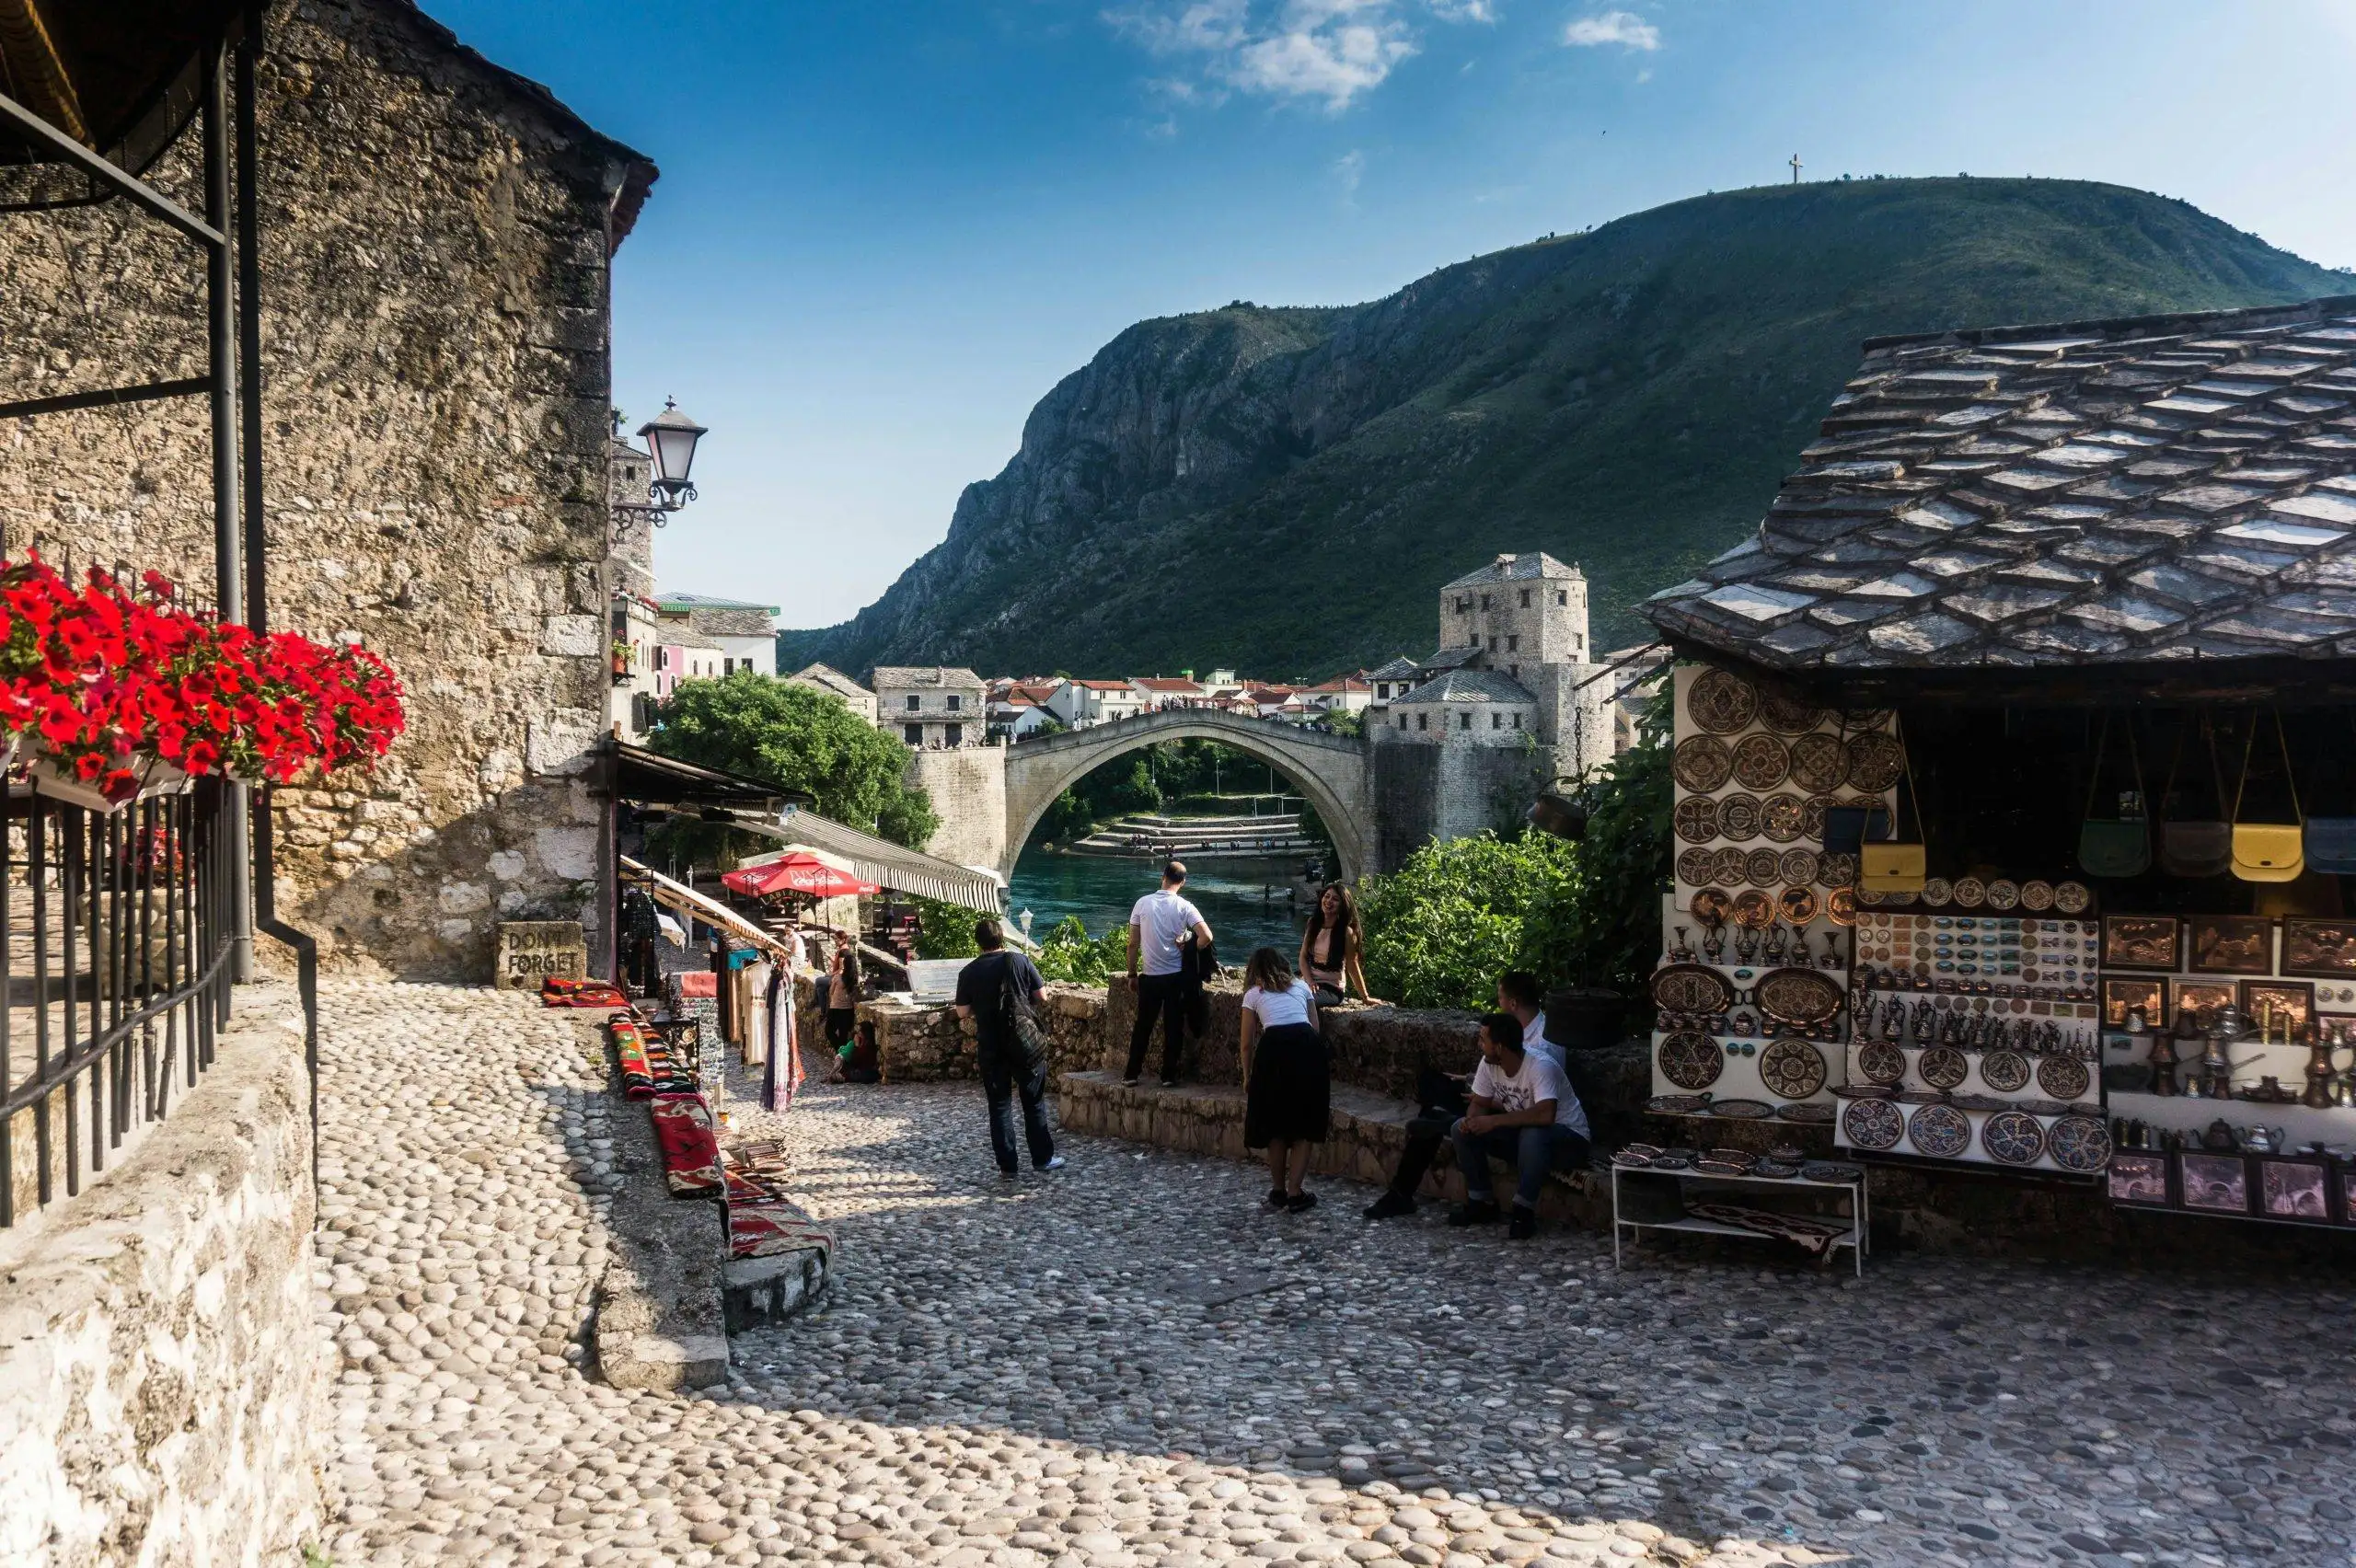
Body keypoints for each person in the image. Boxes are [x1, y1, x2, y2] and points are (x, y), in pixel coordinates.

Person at [1361, 971, 1566, 1220]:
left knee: (1438, 1109)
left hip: (1520, 1114)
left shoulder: (1544, 1044)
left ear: (1513, 1003)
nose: (1498, 1005)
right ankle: (1405, 1183)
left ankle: (1406, 1183)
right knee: (1435, 1085)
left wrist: (1487, 1101)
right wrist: (1474, 1083)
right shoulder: (1509, 1033)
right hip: (1503, 1101)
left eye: (1500, 999)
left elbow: (1536, 1101)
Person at [1448, 1012, 1591, 1239]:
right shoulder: (1489, 1064)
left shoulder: (1540, 1066)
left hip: (1569, 1140)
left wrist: (1492, 1121)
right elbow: (1479, 1103)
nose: (1479, 1044)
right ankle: (1480, 1201)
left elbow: (1545, 1115)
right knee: (1459, 1129)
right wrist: (1472, 1120)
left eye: (1483, 1039)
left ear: (1500, 1047)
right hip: (1524, 1137)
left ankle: (1523, 1210)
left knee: (1533, 1133)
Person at [953, 918, 1067, 1177]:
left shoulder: (969, 971)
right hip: (1023, 1042)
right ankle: (1042, 1158)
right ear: (1001, 937)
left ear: (978, 942)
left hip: (991, 1045)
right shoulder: (1019, 960)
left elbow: (962, 1012)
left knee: (1000, 1105)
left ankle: (1008, 1166)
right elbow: (1042, 996)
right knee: (1033, 1101)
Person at [1240, 947, 1326, 1212]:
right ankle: (1295, 1193)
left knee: (1274, 1127)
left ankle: (1278, 1190)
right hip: (1305, 1047)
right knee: (1304, 1127)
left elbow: (1246, 1043)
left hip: (1273, 1051)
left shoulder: (1253, 995)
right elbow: (1315, 1028)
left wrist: (1247, 1077)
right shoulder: (1301, 987)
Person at [1126, 859, 1213, 1087]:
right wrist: (1189, 944)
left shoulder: (1142, 903)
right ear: (1182, 882)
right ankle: (1168, 1076)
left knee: (1143, 1026)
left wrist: (1132, 974)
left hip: (1150, 976)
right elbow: (1207, 937)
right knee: (1173, 1027)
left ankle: (1131, 1074)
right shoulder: (1185, 906)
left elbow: (1132, 944)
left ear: (1163, 876)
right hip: (1176, 977)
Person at [1297, 882, 1381, 1006]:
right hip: (1308, 981)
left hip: (1331, 988)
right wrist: (1309, 982)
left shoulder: (1347, 932)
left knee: (1301, 1000)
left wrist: (1365, 997)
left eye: (1335, 899)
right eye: (1327, 896)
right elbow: (1303, 957)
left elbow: (1352, 965)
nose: (1329, 901)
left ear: (1343, 905)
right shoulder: (1313, 924)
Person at [1496, 970, 1560, 1066]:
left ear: (1513, 1004)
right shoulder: (1526, 1031)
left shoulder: (1541, 1048)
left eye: (1500, 998)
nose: (1499, 1003)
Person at [825, 940, 860, 1055]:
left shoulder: (838, 977)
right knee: (844, 1035)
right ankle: (843, 1056)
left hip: (835, 1009)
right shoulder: (856, 979)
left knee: (829, 1031)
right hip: (848, 1011)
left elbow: (830, 993)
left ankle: (840, 1052)